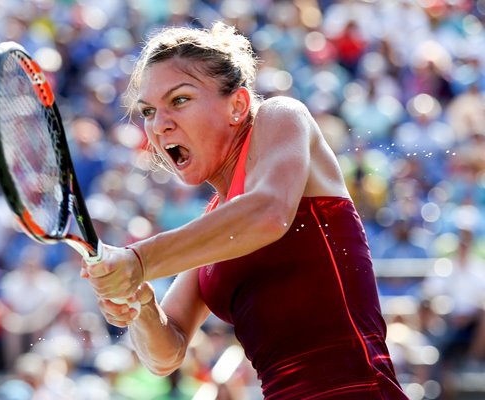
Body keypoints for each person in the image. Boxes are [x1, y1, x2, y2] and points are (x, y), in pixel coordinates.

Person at [82, 21, 409, 399]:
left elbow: (267, 213)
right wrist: (140, 301)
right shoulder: (215, 225)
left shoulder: (281, 115)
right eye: (148, 111)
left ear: (238, 104)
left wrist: (139, 261)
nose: (159, 125)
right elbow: (165, 354)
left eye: (180, 100)